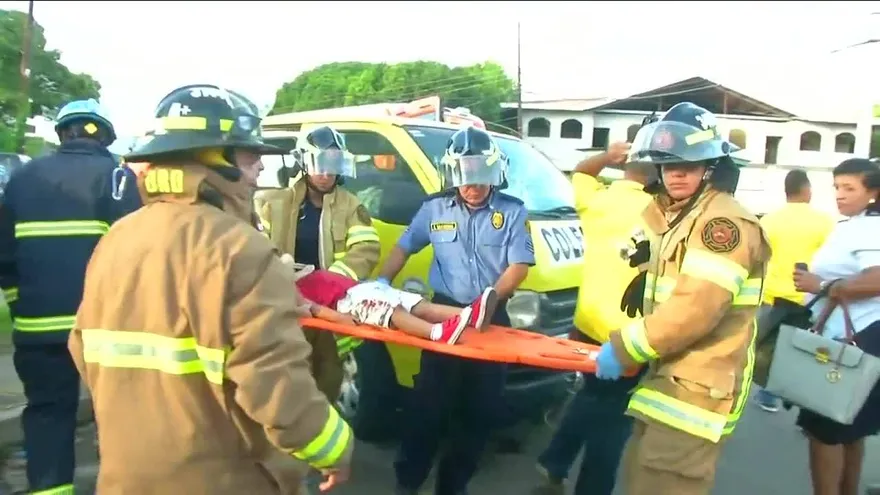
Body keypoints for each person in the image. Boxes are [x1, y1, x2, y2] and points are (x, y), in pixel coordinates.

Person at [67, 84, 353, 493]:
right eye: (250, 154)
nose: (258, 169)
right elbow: (278, 391)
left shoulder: (116, 238)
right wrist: (337, 452)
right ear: (215, 159)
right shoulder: (240, 248)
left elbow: (82, 350)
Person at [594, 102, 770, 495]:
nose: (675, 174)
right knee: (641, 479)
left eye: (687, 166)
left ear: (712, 167)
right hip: (670, 377)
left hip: (697, 391)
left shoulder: (721, 224)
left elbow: (694, 310)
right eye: (667, 164)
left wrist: (624, 348)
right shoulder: (683, 216)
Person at [379, 125, 535, 495]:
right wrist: (381, 282)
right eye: (465, 175)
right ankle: (408, 480)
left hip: (490, 318)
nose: (473, 184)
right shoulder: (434, 207)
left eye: (480, 174)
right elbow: (404, 247)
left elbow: (519, 266)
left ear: (494, 172)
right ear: (452, 173)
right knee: (427, 406)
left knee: (479, 412)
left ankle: (453, 485)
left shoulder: (512, 212)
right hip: (442, 315)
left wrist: (491, 300)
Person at [0, 98, 140, 494]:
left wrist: (20, 303)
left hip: (37, 329)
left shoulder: (24, 179)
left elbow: (4, 255)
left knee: (47, 416)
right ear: (106, 136)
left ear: (62, 133)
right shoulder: (118, 179)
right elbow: (137, 253)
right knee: (118, 417)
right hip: (105, 330)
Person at [532, 141, 655, 495]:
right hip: (629, 335)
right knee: (615, 418)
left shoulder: (598, 200)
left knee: (593, 396)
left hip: (586, 325)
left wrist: (608, 155)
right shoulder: (664, 211)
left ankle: (554, 461)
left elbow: (582, 172)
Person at [792, 158, 880, 495]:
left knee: (824, 430)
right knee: (850, 431)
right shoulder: (856, 223)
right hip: (859, 337)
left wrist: (823, 285)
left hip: (852, 340)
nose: (840, 195)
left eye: (849, 188)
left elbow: (877, 277)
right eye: (836, 187)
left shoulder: (869, 226)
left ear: (873, 192)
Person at [257, 125, 381, 358]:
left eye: (333, 165)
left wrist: (329, 284)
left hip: (334, 303)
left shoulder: (351, 205)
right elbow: (261, 253)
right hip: (291, 301)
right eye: (319, 164)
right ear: (304, 163)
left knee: (333, 370)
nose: (326, 174)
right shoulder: (273, 206)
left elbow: (366, 249)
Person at [753, 169, 834, 413]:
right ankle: (803, 401)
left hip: (772, 296)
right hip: (809, 297)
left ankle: (766, 392)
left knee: (766, 348)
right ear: (807, 190)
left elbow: (758, 256)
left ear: (786, 192)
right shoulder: (825, 222)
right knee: (804, 351)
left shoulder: (769, 220)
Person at [284, 254, 498, 343]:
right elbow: (313, 309)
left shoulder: (300, 274)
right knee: (392, 312)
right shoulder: (289, 289)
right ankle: (436, 333)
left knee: (417, 304)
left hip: (362, 289)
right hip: (347, 303)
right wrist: (341, 319)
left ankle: (470, 315)